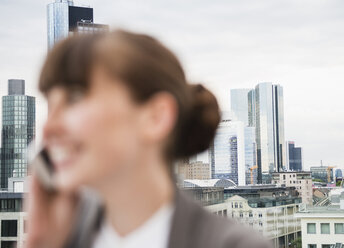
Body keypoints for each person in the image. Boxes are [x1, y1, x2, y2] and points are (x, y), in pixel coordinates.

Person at [26, 30, 271, 248]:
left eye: (75, 98)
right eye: (50, 103)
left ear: (156, 117)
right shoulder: (63, 237)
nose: (48, 128)